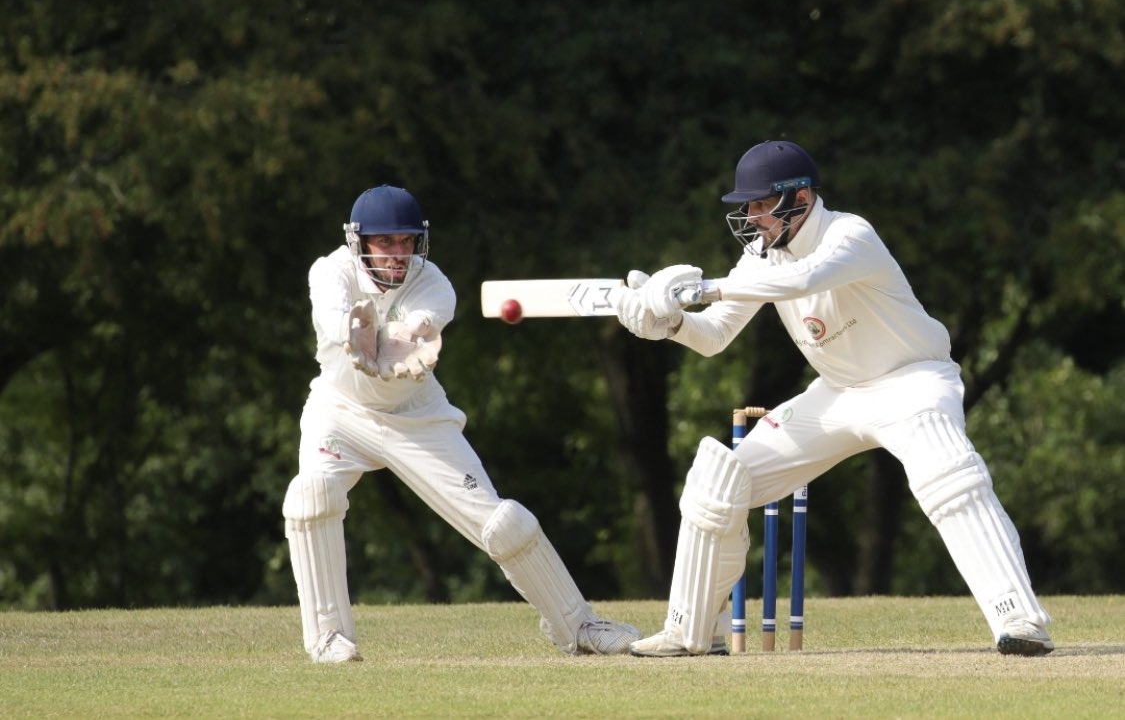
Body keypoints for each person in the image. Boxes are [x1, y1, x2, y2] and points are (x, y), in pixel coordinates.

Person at [614, 141, 1054, 658]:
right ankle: (691, 632)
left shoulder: (851, 234)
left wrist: (701, 290)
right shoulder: (760, 255)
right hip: (838, 395)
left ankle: (1020, 621)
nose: (752, 217)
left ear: (799, 197)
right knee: (719, 483)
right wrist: (670, 323)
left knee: (949, 477)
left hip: (911, 382)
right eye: (748, 206)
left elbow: (805, 278)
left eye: (761, 204)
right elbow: (713, 338)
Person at [283, 184, 641, 663]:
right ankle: (330, 638)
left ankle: (579, 627)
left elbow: (424, 321)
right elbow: (336, 323)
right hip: (341, 411)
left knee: (503, 524)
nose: (397, 255)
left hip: (417, 415)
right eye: (385, 243)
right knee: (311, 497)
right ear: (359, 241)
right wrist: (361, 335)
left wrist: (408, 333)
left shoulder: (433, 283)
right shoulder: (330, 272)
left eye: (406, 242)